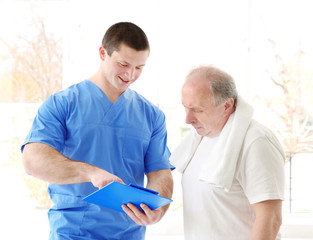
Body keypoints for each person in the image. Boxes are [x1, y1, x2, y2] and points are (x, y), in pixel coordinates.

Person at [21, 22, 173, 240]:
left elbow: (160, 172)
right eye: (123, 64)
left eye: (139, 68)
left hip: (130, 234)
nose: (130, 74)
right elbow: (32, 160)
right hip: (73, 233)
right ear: (103, 53)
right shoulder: (62, 104)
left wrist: (158, 210)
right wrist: (91, 173)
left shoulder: (151, 115)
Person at [170, 65, 285, 240]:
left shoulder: (256, 141)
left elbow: (270, 219)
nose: (188, 119)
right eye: (185, 107)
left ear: (227, 105)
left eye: (197, 110)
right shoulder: (199, 138)